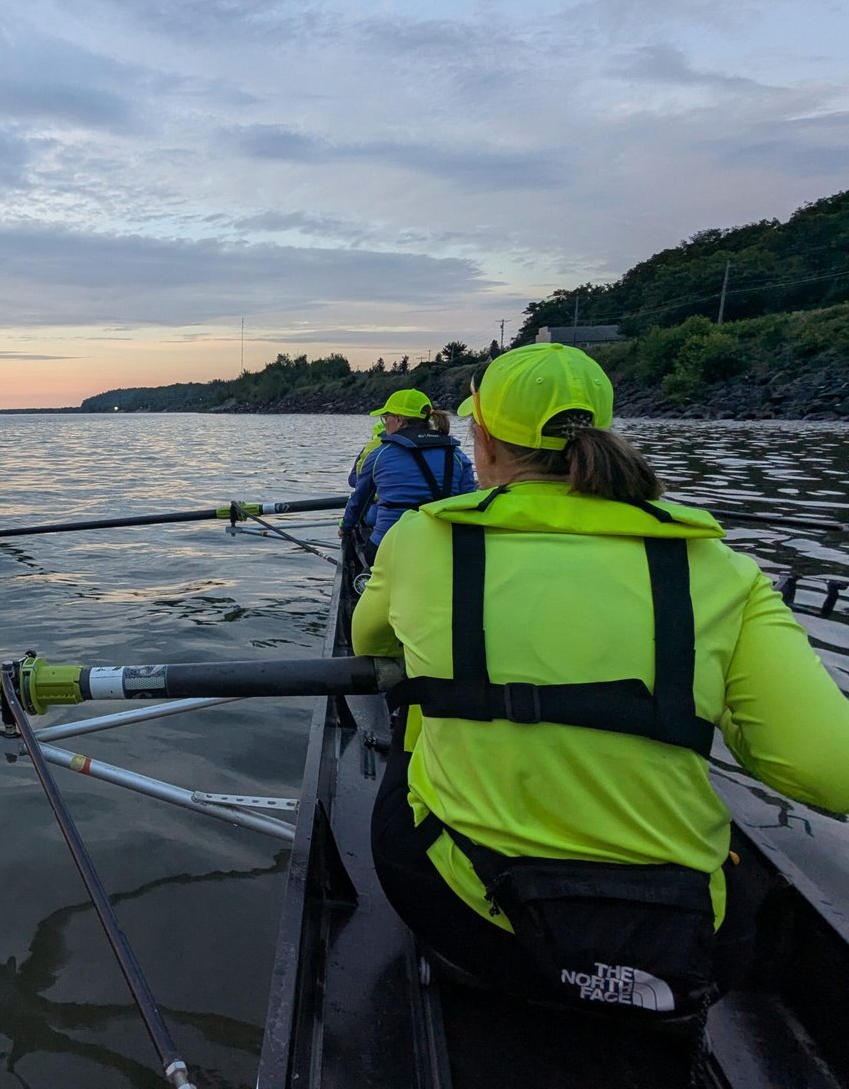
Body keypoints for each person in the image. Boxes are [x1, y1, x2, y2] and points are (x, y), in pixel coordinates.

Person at [354, 343, 849, 1020]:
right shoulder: (720, 567)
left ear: (485, 439)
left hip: (476, 923)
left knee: (407, 715)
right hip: (686, 942)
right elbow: (830, 773)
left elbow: (368, 644)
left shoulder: (420, 540)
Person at [341, 388, 476, 558]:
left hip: (388, 546)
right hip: (442, 546)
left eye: (385, 418)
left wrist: (345, 528)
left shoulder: (378, 455)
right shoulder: (457, 455)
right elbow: (469, 501)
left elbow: (359, 500)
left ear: (399, 420)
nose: (384, 423)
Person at [346, 419, 386, 541]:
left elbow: (352, 480)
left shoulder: (370, 449)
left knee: (367, 517)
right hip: (385, 506)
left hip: (375, 506)